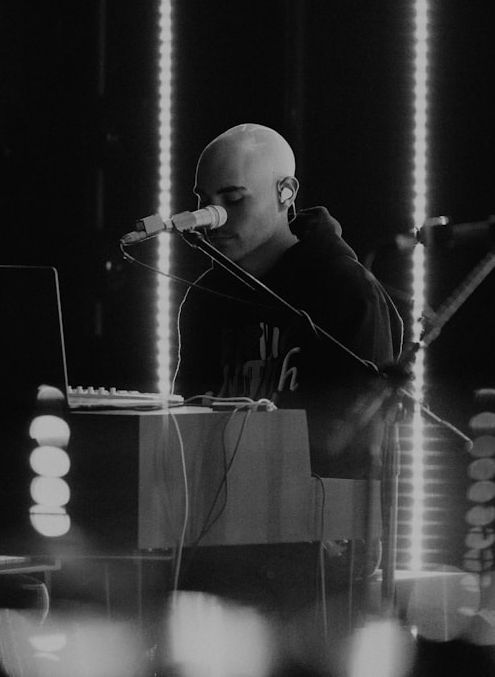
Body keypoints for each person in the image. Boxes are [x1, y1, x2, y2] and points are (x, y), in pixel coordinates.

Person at [172, 123, 403, 618]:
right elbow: (186, 423)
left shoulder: (343, 289)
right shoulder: (205, 300)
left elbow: (358, 440)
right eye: (205, 200)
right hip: (218, 545)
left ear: (286, 193)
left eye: (233, 198)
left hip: (314, 560)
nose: (214, 217)